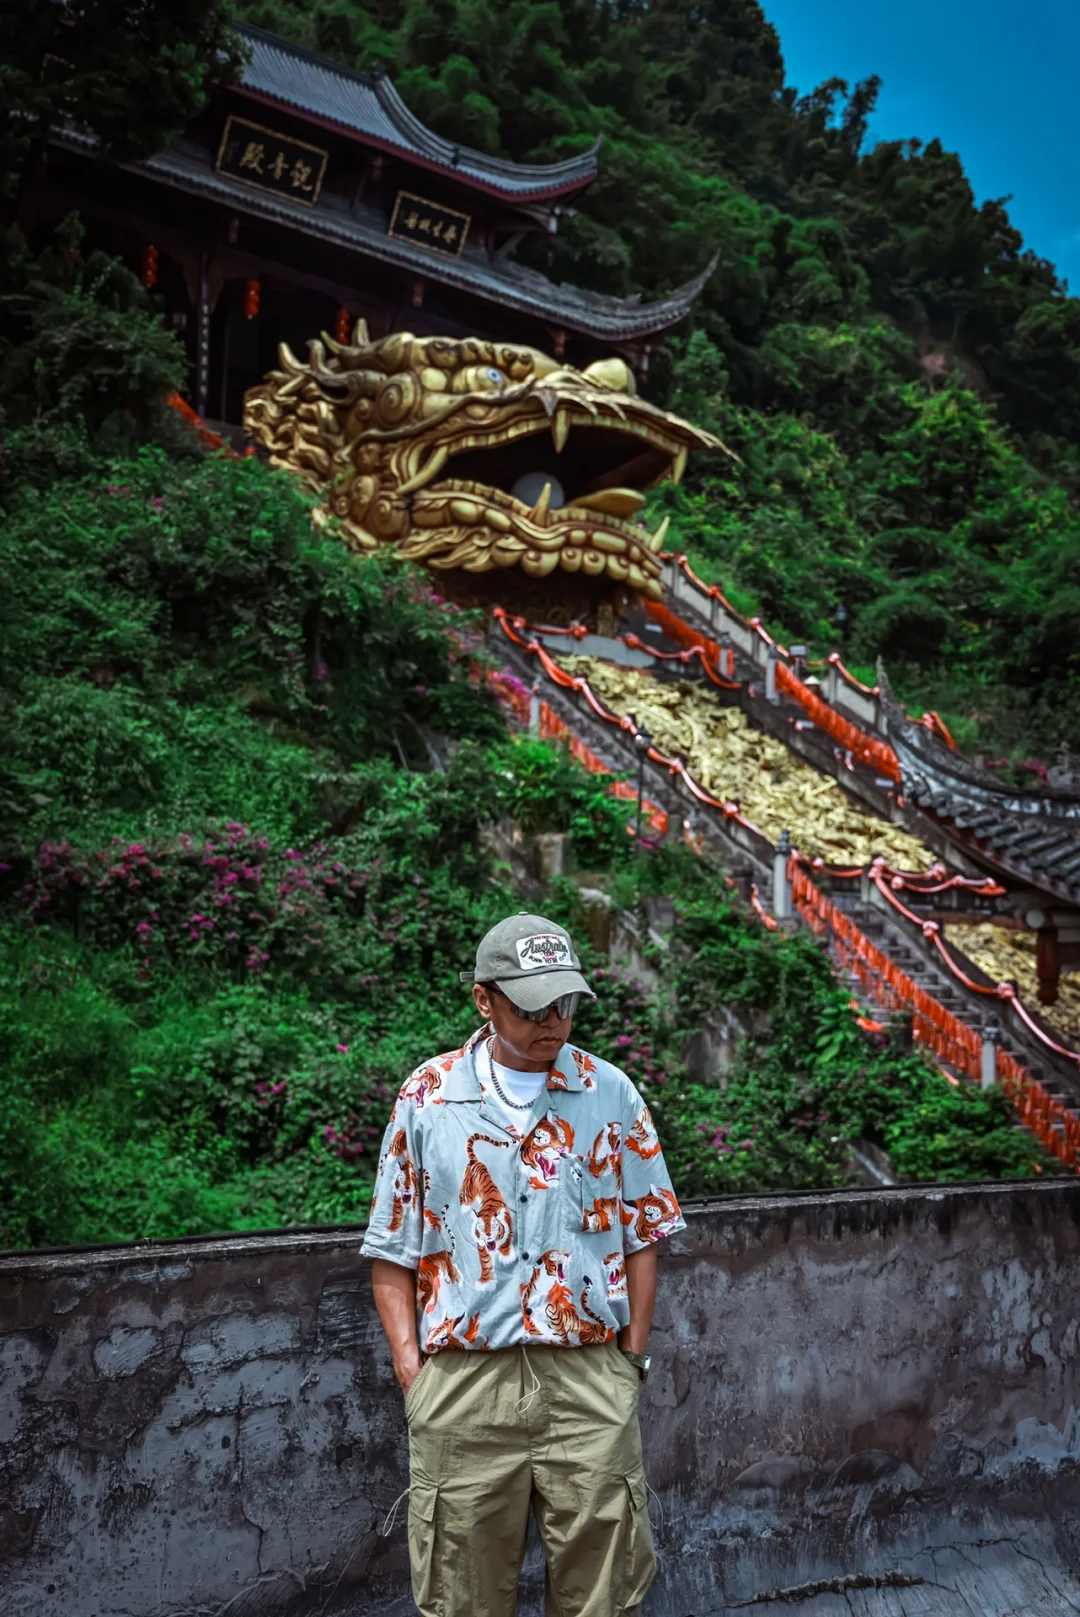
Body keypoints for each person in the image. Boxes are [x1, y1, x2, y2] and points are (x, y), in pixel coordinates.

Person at [361, 912, 686, 1617]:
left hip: (588, 1379)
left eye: (565, 1003)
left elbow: (643, 1235)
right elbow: (393, 1248)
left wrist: (629, 1363)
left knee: (604, 1593)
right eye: (532, 1005)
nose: (554, 1021)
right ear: (485, 999)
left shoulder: (610, 1094)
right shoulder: (429, 1097)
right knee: (461, 1596)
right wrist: (414, 1373)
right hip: (464, 1386)